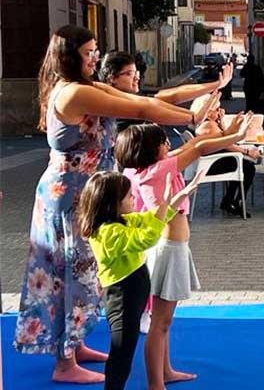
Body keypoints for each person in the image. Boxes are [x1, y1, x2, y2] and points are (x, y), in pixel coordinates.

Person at [13, 24, 215, 384]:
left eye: (95, 51)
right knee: (70, 273)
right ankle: (64, 363)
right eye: (88, 52)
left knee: (86, 273)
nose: (95, 57)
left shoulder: (86, 86)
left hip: (89, 192)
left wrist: (204, 97)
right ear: (70, 56)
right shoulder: (74, 93)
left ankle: (74, 346)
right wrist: (193, 119)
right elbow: (139, 110)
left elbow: (147, 100)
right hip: (70, 195)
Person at [115, 118, 250, 389]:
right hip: (168, 251)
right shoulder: (159, 169)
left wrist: (229, 133)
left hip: (168, 249)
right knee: (160, 323)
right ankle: (156, 382)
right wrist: (238, 136)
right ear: (152, 150)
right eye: (164, 141)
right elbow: (198, 149)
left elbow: (195, 144)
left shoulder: (146, 169)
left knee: (163, 322)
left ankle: (164, 372)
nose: (169, 144)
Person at [77, 170, 201, 389]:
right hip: (121, 297)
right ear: (112, 203)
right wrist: (164, 207)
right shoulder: (108, 232)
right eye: (128, 197)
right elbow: (147, 238)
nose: (134, 198)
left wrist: (172, 202)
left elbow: (150, 218)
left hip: (132, 296)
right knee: (121, 353)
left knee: (126, 348)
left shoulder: (122, 221)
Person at [98, 51, 233, 135]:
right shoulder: (115, 102)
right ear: (112, 78)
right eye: (129, 74)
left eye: (136, 72)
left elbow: (173, 95)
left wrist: (216, 85)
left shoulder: (131, 97)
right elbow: (150, 107)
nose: (137, 77)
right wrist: (192, 117)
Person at [192, 94, 261, 218]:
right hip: (212, 164)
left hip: (213, 160)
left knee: (241, 164)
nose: (220, 111)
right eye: (217, 109)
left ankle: (228, 200)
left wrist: (221, 122)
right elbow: (227, 144)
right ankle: (237, 201)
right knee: (248, 167)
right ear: (208, 113)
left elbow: (224, 137)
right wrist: (247, 152)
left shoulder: (209, 124)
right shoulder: (208, 126)